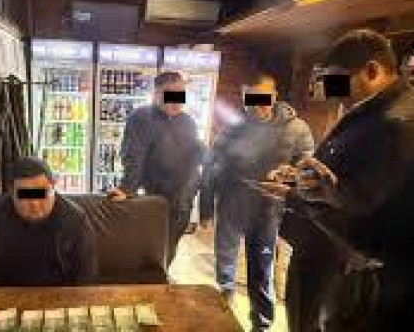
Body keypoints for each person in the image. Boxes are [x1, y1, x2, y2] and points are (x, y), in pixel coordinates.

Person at [256, 29, 414, 331]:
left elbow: (365, 211)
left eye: (337, 81)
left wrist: (297, 197)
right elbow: (343, 177)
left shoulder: (397, 124)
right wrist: (299, 178)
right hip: (319, 246)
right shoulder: (370, 110)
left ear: (372, 71)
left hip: (341, 263)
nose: (331, 92)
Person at [200, 72, 314, 332]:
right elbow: (212, 166)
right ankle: (224, 313)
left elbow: (308, 169)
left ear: (275, 96)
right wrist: (206, 206)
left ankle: (261, 324)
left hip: (268, 211)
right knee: (225, 266)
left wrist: (292, 174)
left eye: (263, 98)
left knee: (262, 270)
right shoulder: (233, 127)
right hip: (230, 206)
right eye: (251, 99)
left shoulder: (296, 128)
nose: (257, 105)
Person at [108, 71, 205, 265]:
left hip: (183, 201)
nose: (176, 100)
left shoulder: (189, 122)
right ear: (156, 93)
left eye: (181, 93)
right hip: (155, 200)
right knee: (151, 251)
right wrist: (127, 188)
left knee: (170, 249)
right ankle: (154, 278)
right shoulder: (141, 117)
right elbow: (134, 155)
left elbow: (195, 156)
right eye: (170, 93)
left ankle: (162, 275)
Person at [0, 156, 98, 286]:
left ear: (53, 187)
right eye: (25, 195)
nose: (35, 204)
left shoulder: (76, 219)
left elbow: (85, 278)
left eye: (41, 193)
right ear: (11, 193)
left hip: (59, 293)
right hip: (6, 293)